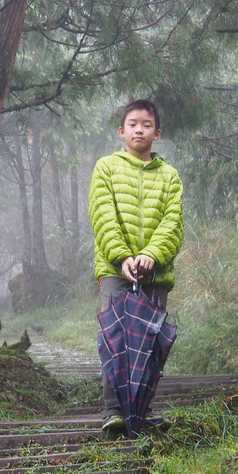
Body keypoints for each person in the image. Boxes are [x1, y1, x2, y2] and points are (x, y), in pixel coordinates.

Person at [88, 99, 184, 432]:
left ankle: (145, 411)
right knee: (116, 338)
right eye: (132, 123)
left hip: (155, 275)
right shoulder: (106, 168)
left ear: (157, 133)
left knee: (150, 341)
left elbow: (173, 223)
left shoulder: (170, 177)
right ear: (121, 131)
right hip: (116, 272)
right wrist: (123, 257)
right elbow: (103, 217)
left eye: (146, 124)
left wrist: (152, 255)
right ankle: (113, 410)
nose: (139, 129)